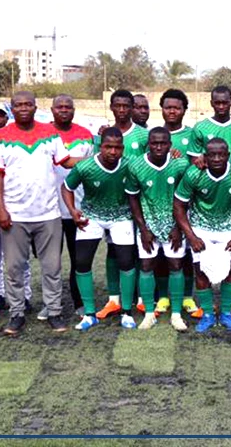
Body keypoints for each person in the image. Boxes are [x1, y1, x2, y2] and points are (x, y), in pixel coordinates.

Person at [0, 91, 81, 336]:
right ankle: (17, 313)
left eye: (28, 104)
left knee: (52, 267)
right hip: (15, 215)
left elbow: (67, 161)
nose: (23, 108)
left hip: (48, 213)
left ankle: (54, 311)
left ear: (35, 106)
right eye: (18, 105)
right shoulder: (2, 136)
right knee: (14, 268)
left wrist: (99, 157)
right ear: (11, 108)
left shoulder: (50, 133)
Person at [173, 138, 231, 332]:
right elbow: (178, 205)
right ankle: (208, 314)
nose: (217, 158)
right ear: (205, 155)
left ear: (228, 155)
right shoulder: (194, 173)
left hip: (229, 228)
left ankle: (226, 313)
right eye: (212, 155)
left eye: (221, 154)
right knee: (201, 271)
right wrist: (191, 236)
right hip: (200, 228)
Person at [62, 127, 140, 329]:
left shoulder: (130, 165)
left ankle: (126, 312)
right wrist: (72, 211)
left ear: (123, 148)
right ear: (100, 146)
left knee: (126, 261)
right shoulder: (85, 166)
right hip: (92, 217)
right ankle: (89, 313)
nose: (113, 152)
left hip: (121, 217)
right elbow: (67, 187)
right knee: (82, 262)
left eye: (117, 148)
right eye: (108, 147)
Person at [126, 127, 193, 331]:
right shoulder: (136, 166)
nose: (158, 146)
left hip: (174, 225)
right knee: (146, 266)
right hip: (148, 226)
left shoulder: (180, 165)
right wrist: (143, 228)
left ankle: (175, 314)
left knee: (176, 265)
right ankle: (148, 313)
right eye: (154, 142)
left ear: (170, 145)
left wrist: (178, 227)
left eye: (163, 143)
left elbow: (186, 197)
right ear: (148, 143)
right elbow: (133, 198)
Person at [94, 90, 149, 320]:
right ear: (112, 107)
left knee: (140, 249)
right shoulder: (102, 135)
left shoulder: (144, 135)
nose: (123, 110)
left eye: (128, 105)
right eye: (118, 105)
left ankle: (142, 298)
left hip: (138, 200)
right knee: (114, 250)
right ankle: (114, 299)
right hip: (112, 202)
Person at [0, 102, 33, 314]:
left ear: (6, 117)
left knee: (19, 256)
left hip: (14, 205)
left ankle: (25, 295)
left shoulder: (15, 138)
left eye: (0, 116)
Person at [49, 94, 95, 320]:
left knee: (79, 261)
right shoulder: (44, 135)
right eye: (60, 107)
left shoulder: (85, 135)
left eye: (68, 107)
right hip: (50, 210)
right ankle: (51, 304)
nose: (64, 110)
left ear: (74, 110)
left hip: (78, 210)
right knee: (51, 262)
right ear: (52, 109)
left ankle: (80, 302)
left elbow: (95, 167)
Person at [159, 88, 201, 317]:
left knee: (185, 253)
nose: (172, 111)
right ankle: (164, 296)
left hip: (187, 203)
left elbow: (200, 164)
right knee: (162, 252)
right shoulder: (153, 134)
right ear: (162, 109)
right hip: (158, 203)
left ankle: (187, 296)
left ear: (184, 110)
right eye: (168, 107)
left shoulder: (192, 134)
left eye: (177, 107)